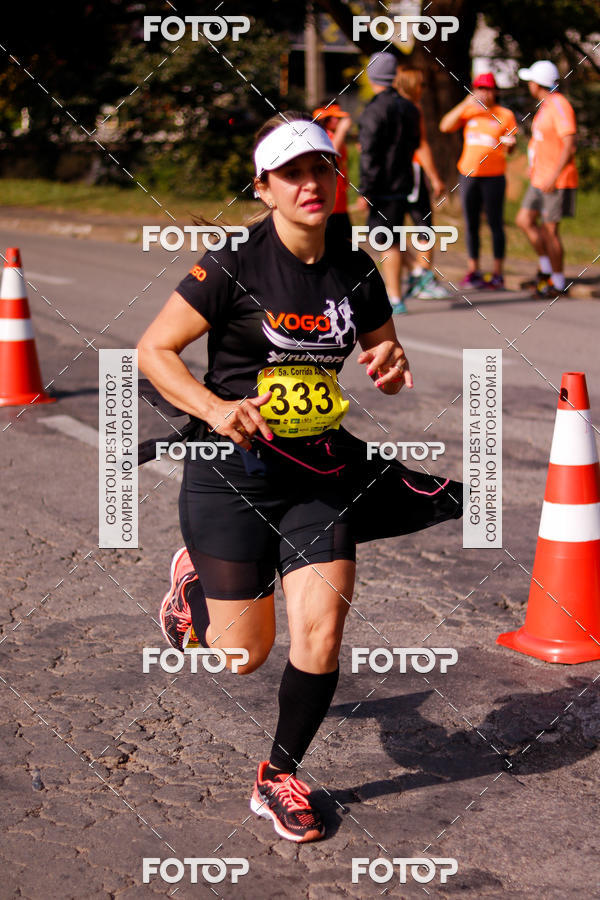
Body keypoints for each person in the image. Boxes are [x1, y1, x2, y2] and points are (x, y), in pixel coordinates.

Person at [137, 112, 462, 844]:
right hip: (234, 476)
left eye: (320, 168)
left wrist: (392, 364)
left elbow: (386, 352)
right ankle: (196, 587)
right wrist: (216, 409)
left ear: (335, 176)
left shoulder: (354, 266)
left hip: (318, 473)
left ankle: (278, 775)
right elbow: (154, 352)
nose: (311, 184)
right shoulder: (234, 264)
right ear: (265, 188)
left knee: (321, 632)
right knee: (242, 655)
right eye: (292, 174)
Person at [439, 72, 518, 290]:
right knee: (471, 224)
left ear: (495, 91)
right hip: (468, 174)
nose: (484, 93)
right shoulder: (469, 112)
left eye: (488, 88)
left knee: (495, 224)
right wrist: (466, 102)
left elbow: (511, 146)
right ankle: (473, 270)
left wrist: (510, 144)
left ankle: (498, 273)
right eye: (480, 88)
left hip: (494, 176)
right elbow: (445, 126)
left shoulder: (504, 114)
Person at [357, 52, 421, 314]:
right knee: (391, 235)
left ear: (371, 75)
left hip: (382, 187)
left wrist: (365, 191)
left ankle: (395, 297)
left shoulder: (374, 110)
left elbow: (369, 154)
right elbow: (415, 143)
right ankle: (417, 269)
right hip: (403, 181)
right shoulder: (409, 107)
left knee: (386, 241)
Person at [515, 60, 577, 299]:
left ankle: (558, 283)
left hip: (556, 179)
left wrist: (554, 174)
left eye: (531, 80)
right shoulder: (545, 106)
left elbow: (569, 144)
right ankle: (546, 269)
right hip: (539, 178)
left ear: (538, 83)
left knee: (550, 231)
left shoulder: (560, 105)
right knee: (524, 220)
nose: (529, 84)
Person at [395, 65, 450, 301]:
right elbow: (422, 145)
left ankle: (414, 273)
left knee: (391, 230)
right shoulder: (412, 109)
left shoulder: (388, 106)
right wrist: (435, 177)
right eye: (421, 84)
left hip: (391, 175)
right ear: (412, 86)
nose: (424, 89)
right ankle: (422, 277)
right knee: (424, 226)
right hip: (412, 171)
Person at [312, 102, 352, 243]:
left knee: (347, 240)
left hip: (340, 198)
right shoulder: (322, 136)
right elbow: (331, 154)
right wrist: (341, 131)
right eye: (336, 117)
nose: (339, 121)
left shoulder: (333, 135)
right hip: (331, 200)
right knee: (332, 242)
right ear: (326, 118)